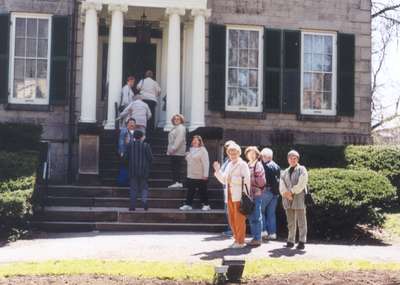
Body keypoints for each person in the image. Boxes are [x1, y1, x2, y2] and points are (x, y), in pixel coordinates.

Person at [214, 143, 250, 249]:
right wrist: (217, 171)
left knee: (239, 219)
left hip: (239, 195)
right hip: (229, 195)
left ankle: (241, 241)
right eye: (230, 153)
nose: (232, 155)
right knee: (232, 219)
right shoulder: (229, 164)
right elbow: (224, 180)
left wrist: (233, 180)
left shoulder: (243, 164)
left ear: (239, 153)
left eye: (234, 153)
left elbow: (247, 180)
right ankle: (236, 239)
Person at [279, 150, 309, 250]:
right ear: (288, 159)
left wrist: (291, 192)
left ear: (297, 159)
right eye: (291, 158)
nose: (293, 160)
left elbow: (302, 183)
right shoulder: (284, 172)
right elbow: (281, 185)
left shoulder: (302, 169)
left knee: (301, 220)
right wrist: (286, 194)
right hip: (287, 199)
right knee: (290, 221)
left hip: (299, 197)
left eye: (295, 158)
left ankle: (302, 241)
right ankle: (290, 240)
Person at [179, 135, 211, 211]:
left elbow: (206, 163)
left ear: (200, 142)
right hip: (191, 175)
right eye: (193, 140)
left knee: (202, 191)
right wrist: (187, 155)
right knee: (190, 191)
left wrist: (205, 175)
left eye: (196, 140)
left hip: (200, 175)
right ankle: (188, 205)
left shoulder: (203, 150)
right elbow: (190, 161)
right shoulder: (191, 150)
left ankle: (206, 205)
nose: (194, 141)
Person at [244, 146, 266, 247]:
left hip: (256, 194)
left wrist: (252, 180)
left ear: (257, 154)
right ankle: (254, 237)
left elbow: (262, 182)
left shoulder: (258, 165)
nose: (251, 155)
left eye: (253, 153)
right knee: (251, 216)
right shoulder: (247, 164)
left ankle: (257, 238)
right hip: (248, 194)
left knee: (257, 216)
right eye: (249, 153)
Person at [127, 130, 153, 211]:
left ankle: (132, 205)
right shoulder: (146, 145)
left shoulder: (130, 145)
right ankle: (144, 201)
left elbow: (126, 157)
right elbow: (150, 158)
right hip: (144, 170)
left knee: (133, 188)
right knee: (144, 187)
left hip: (132, 170)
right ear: (142, 137)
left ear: (134, 136)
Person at [260, 148, 281, 241]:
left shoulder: (264, 166)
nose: (261, 158)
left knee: (261, 211)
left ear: (266, 157)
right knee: (271, 214)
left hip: (266, 191)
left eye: (262, 156)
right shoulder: (277, 166)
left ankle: (264, 231)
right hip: (275, 193)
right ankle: (273, 233)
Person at [167, 114, 187, 188]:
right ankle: (176, 182)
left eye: (178, 119)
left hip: (177, 152)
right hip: (174, 151)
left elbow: (179, 139)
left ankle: (177, 182)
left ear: (181, 120)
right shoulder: (175, 128)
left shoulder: (181, 128)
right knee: (175, 167)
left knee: (176, 168)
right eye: (175, 119)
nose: (176, 120)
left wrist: (173, 149)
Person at [221, 140, 236, 237]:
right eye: (227, 148)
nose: (228, 150)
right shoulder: (227, 160)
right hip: (226, 189)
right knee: (228, 211)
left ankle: (232, 230)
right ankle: (230, 229)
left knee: (231, 211)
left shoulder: (235, 161)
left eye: (230, 148)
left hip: (232, 190)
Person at [117, 118, 136, 187]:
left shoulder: (135, 132)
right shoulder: (124, 131)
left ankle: (129, 182)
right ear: (127, 124)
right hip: (125, 152)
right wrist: (121, 151)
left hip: (133, 153)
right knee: (124, 167)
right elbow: (121, 141)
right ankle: (122, 182)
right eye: (130, 122)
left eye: (133, 123)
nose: (132, 124)